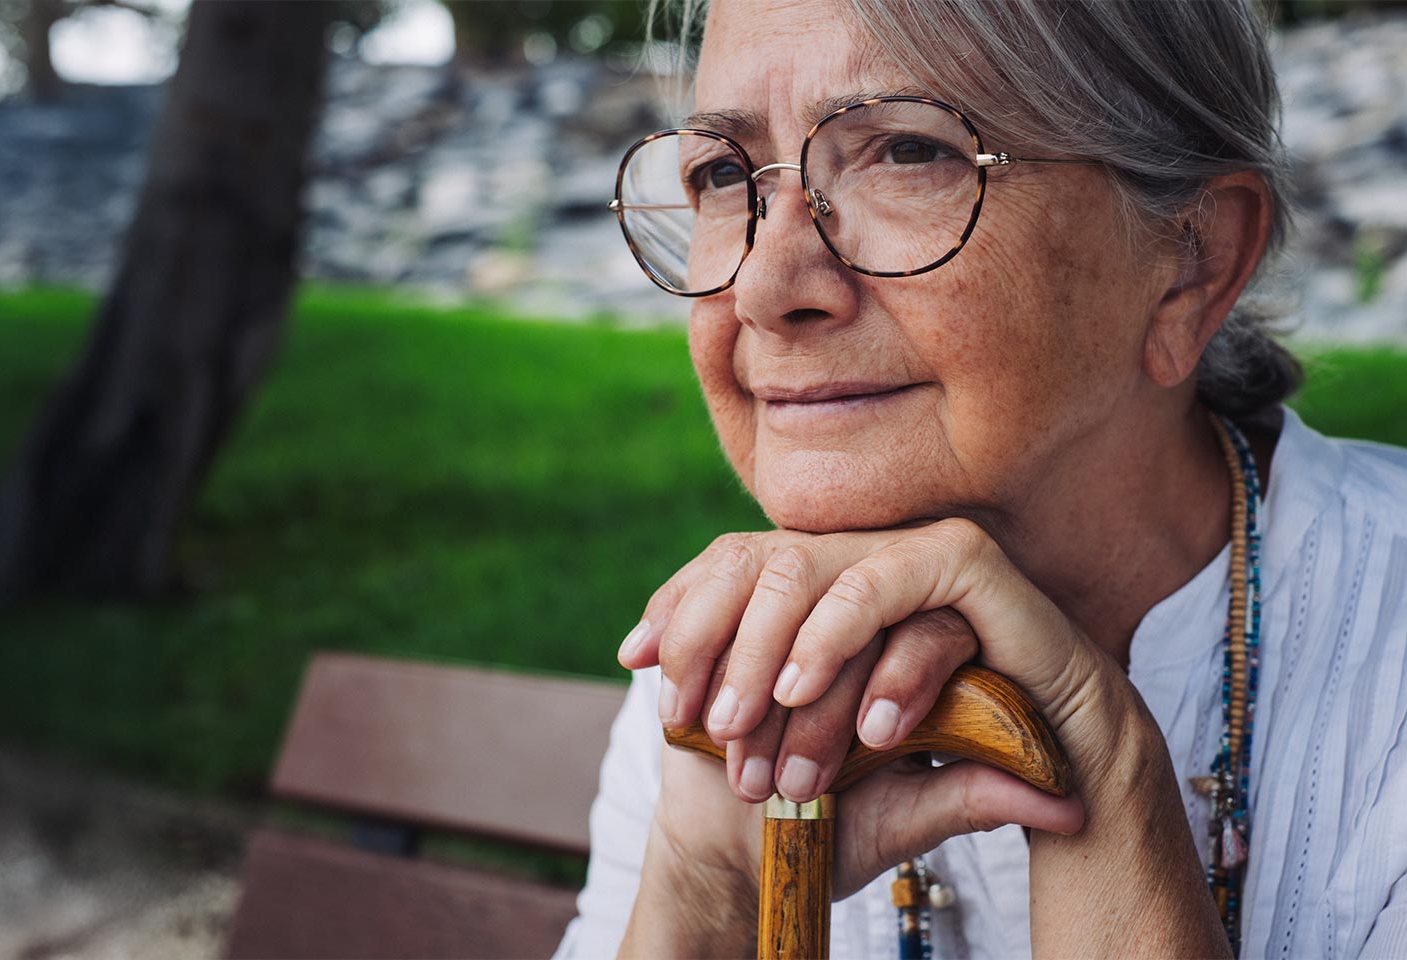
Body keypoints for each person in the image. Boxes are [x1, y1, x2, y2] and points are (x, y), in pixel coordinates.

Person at [556, 1, 1407, 956]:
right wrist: (706, 890)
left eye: (908, 153)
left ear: (1191, 263)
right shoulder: (752, 654)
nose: (763, 285)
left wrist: (1108, 778)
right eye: (721, 174)